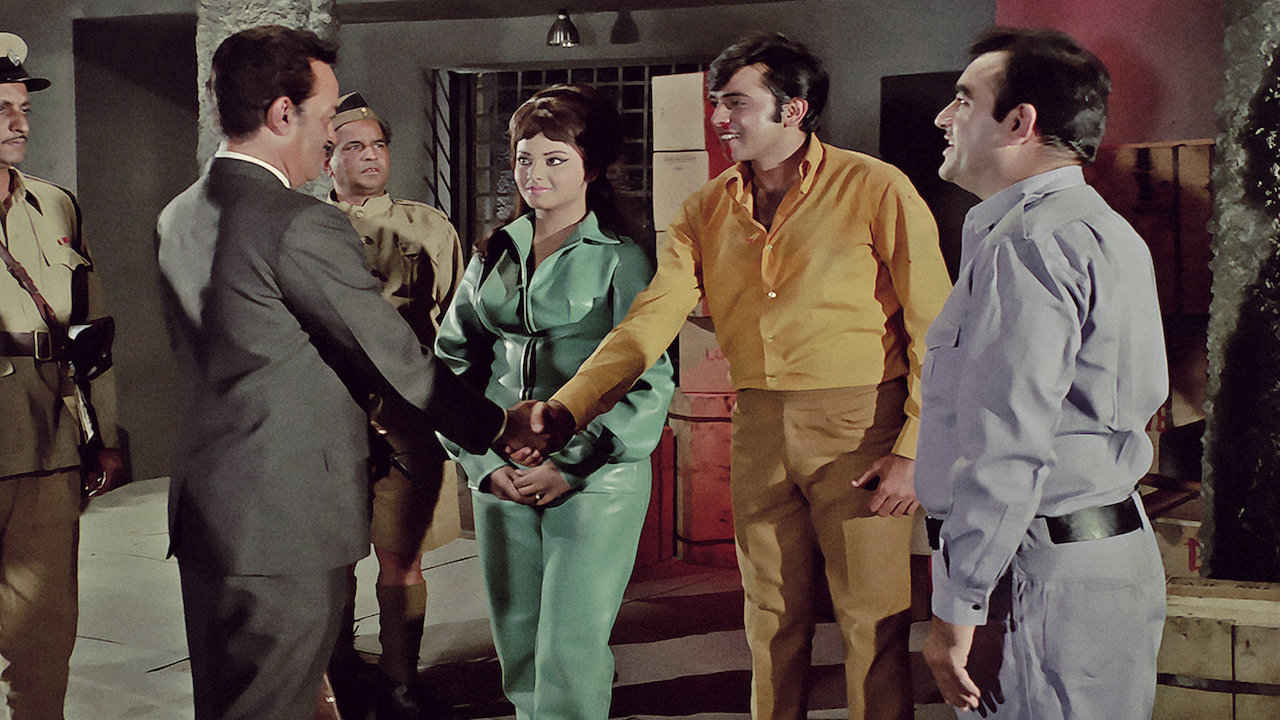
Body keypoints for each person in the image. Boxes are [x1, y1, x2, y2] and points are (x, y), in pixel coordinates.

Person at [526, 34, 951, 720]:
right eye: (717, 102)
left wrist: (915, 447)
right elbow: (648, 321)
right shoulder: (705, 209)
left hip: (863, 430)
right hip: (757, 427)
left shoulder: (875, 187)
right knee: (768, 617)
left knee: (873, 620)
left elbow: (937, 326)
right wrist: (568, 407)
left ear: (794, 109)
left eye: (736, 103)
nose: (720, 118)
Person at [155, 25, 545, 719]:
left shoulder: (179, 215)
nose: (333, 134)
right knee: (275, 703)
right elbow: (394, 358)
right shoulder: (298, 223)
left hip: (211, 508)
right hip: (286, 516)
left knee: (229, 701)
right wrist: (497, 427)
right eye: (328, 114)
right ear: (283, 114)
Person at [917, 27, 1168, 718]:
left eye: (964, 100)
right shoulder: (1100, 227)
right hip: (1103, 560)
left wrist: (957, 609)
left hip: (1037, 576)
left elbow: (1007, 445)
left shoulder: (1027, 244)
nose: (943, 117)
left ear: (1019, 122)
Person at [434, 84, 674, 719]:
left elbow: (648, 379)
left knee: (569, 648)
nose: (534, 173)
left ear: (590, 168)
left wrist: (571, 465)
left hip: (594, 478)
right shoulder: (491, 255)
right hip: (500, 472)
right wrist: (482, 463)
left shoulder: (624, 260)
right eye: (523, 158)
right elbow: (450, 364)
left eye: (554, 159)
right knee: (516, 645)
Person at [322, 91, 468, 718]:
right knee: (331, 556)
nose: (370, 156)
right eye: (353, 146)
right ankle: (340, 675)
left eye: (378, 145)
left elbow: (457, 324)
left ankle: (401, 680)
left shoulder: (427, 226)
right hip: (329, 416)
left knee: (401, 555)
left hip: (406, 415)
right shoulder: (307, 225)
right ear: (327, 158)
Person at [0, 31, 124, 719]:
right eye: (2, 109)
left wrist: (108, 433)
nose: (19, 123)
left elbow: (93, 334)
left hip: (47, 440)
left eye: (24, 108)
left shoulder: (56, 206)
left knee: (45, 635)